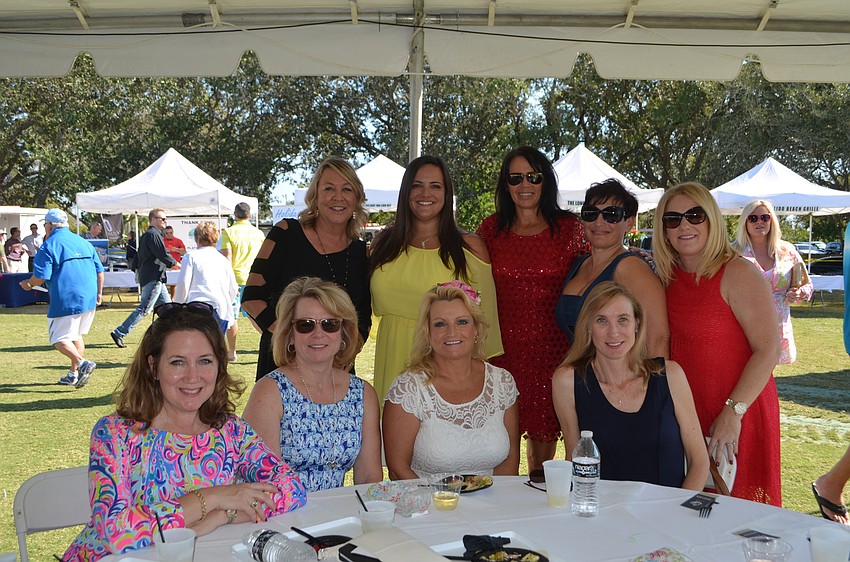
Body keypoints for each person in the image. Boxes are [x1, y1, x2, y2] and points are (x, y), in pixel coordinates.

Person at [62, 303, 307, 561]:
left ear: (219, 366)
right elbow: (115, 533)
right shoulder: (116, 434)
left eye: (205, 361)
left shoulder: (231, 431)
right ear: (153, 367)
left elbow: (291, 488)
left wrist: (224, 515)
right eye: (177, 362)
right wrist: (213, 498)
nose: (192, 377)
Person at [653, 182, 782, 506]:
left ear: (711, 219)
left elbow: (769, 349)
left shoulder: (738, 272)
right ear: (664, 230)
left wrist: (732, 413)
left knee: (738, 515)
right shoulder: (666, 277)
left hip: (738, 410)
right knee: (690, 513)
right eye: (673, 219)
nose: (684, 225)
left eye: (694, 215)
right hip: (687, 412)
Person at [477, 146, 588, 476]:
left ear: (545, 181)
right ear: (505, 184)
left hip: (552, 352)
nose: (524, 184)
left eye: (533, 176)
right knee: (500, 448)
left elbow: (596, 270)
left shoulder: (569, 229)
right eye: (515, 178)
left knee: (543, 457)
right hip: (502, 353)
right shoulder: (491, 229)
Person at [370, 155, 503, 402]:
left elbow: (486, 323)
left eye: (435, 186)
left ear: (446, 193)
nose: (425, 193)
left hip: (447, 368)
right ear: (406, 191)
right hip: (391, 361)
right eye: (417, 185)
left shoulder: (470, 247)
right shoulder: (383, 245)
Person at [552, 281, 708, 489]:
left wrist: (677, 508)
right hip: (603, 507)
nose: (613, 332)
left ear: (637, 324)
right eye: (602, 320)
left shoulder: (670, 375)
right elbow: (576, 463)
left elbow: (699, 462)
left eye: (622, 320)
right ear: (588, 326)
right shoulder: (567, 381)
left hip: (667, 507)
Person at [242, 277, 382, 491]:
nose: (318, 333)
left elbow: (369, 478)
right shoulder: (270, 391)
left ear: (343, 332)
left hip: (340, 509)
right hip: (282, 508)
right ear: (290, 335)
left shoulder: (362, 393)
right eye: (305, 325)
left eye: (330, 324)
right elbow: (264, 483)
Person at [242, 157, 372, 382]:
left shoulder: (362, 253)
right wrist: (292, 340)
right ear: (315, 196)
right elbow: (252, 298)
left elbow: (363, 319)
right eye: (329, 188)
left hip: (335, 369)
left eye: (347, 189)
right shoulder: (285, 233)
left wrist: (348, 352)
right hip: (282, 363)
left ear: (357, 198)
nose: (338, 197)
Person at [382, 281, 518, 479]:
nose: (451, 332)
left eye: (462, 322)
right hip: (427, 497)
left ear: (476, 328)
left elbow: (510, 458)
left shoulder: (502, 382)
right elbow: (398, 469)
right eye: (440, 324)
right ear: (428, 333)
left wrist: (496, 499)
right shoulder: (408, 389)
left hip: (494, 497)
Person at [556, 179, 669, 357]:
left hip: (619, 373)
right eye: (591, 213)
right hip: (577, 370)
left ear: (629, 223)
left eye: (612, 214)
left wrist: (657, 376)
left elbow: (657, 339)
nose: (599, 222)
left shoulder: (631, 267)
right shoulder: (579, 263)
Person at [19, 209, 103, 388]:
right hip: (88, 297)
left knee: (58, 339)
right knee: (75, 335)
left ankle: (82, 363)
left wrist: (28, 284)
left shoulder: (48, 245)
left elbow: (40, 276)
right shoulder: (83, 242)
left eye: (45, 224)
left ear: (50, 225)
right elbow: (99, 270)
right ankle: (73, 374)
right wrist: (99, 293)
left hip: (66, 297)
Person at [733, 199, 812, 364]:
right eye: (753, 218)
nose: (759, 222)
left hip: (779, 329)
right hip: (742, 329)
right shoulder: (732, 253)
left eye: (765, 217)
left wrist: (799, 293)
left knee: (770, 375)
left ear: (772, 220)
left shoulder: (788, 251)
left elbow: (807, 285)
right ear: (745, 222)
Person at [110, 209, 177, 348]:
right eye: (162, 219)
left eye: (165, 219)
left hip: (156, 277)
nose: (165, 221)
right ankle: (119, 332)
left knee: (168, 310)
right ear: (153, 220)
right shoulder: (153, 235)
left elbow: (141, 256)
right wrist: (176, 263)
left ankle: (169, 336)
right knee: (145, 309)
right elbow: (162, 254)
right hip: (153, 277)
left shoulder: (150, 235)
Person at [173, 221, 239, 335]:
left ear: (198, 239)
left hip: (197, 307)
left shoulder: (191, 256)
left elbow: (184, 283)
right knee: (217, 343)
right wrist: (229, 301)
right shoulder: (223, 260)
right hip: (220, 309)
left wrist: (178, 305)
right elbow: (233, 287)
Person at [220, 202, 265, 362]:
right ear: (250, 215)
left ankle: (232, 352)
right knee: (257, 316)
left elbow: (227, 258)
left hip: (235, 279)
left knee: (232, 317)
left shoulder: (229, 232)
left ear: (235, 214)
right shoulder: (258, 233)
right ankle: (271, 342)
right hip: (255, 279)